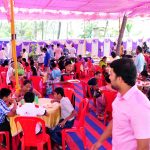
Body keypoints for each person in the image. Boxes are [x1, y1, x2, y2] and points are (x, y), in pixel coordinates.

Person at [91, 58, 150, 150]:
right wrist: (100, 141)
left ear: (120, 79)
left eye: (111, 74)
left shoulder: (140, 105)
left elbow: (144, 146)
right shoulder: (120, 96)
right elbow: (116, 121)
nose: (109, 77)